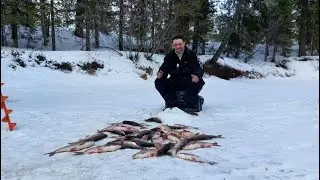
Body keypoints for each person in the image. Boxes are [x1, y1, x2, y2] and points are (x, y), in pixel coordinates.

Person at [155, 35, 205, 112]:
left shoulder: (191, 54)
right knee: (158, 81)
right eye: (175, 45)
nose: (178, 47)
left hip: (189, 81)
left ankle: (195, 102)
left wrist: (197, 75)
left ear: (184, 43)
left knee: (193, 88)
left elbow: (199, 67)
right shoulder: (169, 56)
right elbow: (164, 68)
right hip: (175, 82)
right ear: (172, 45)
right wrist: (160, 73)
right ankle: (172, 103)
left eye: (180, 44)